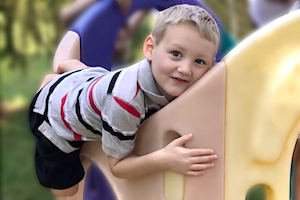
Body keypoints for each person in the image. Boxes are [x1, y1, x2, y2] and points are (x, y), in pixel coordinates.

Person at [29, 4, 220, 197]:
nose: (186, 69)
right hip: (54, 118)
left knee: (99, 84)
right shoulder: (126, 102)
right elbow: (118, 167)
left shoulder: (165, 77)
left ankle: (69, 76)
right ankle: (51, 87)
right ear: (150, 49)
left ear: (211, 66)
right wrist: (165, 159)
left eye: (199, 61)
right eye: (176, 54)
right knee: (67, 190)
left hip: (96, 86)